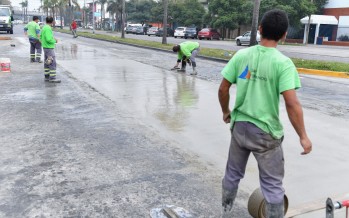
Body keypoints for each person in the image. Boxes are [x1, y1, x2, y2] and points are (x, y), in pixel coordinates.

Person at [218, 9, 312, 217]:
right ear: (284, 34)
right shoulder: (283, 64)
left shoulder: (242, 55)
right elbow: (291, 103)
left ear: (260, 29)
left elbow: (223, 89)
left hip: (239, 127)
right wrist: (303, 136)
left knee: (232, 174)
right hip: (266, 133)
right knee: (272, 185)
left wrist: (226, 112)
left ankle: (225, 211)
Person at [40, 16, 60, 83]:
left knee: (47, 62)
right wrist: (55, 41)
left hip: (45, 47)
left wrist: (53, 39)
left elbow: (41, 37)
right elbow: (48, 39)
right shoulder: (48, 28)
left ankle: (47, 76)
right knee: (52, 62)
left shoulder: (44, 27)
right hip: (49, 47)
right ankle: (52, 78)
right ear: (52, 22)